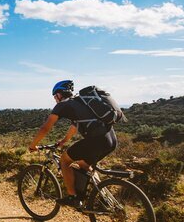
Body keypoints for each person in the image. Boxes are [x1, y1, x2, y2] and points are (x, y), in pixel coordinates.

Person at [28, 80, 118, 208]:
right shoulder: (80, 102)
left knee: (65, 160)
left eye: (55, 96)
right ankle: (102, 197)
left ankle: (73, 197)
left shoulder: (63, 105)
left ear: (59, 94)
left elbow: (45, 128)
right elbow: (74, 127)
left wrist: (33, 145)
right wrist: (63, 141)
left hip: (97, 140)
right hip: (111, 140)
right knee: (83, 164)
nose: (55, 99)